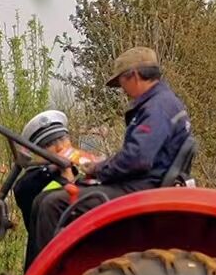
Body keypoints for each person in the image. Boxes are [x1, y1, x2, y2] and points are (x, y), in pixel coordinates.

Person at [29, 47, 190, 261]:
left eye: (121, 82)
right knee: (43, 200)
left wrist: (97, 168)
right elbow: (138, 154)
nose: (121, 89)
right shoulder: (163, 102)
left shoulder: (156, 108)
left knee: (52, 204)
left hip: (141, 188)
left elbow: (138, 159)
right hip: (144, 182)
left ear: (133, 75)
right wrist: (103, 165)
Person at [14, 110, 99, 270]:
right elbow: (22, 190)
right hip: (49, 265)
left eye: (62, 138)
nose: (60, 147)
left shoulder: (84, 172)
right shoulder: (34, 180)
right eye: (48, 144)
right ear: (39, 153)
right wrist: (53, 169)